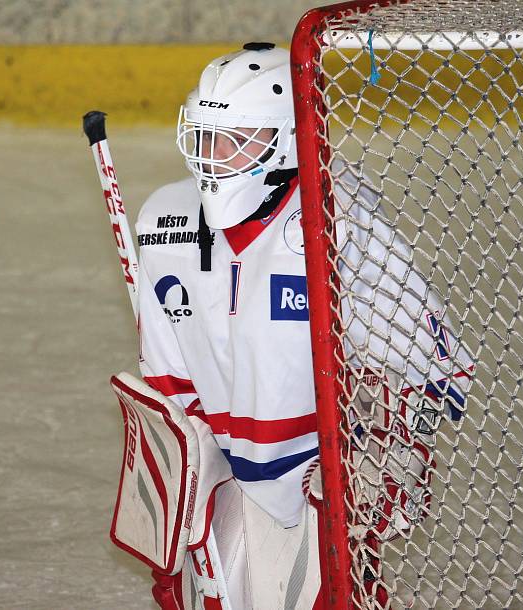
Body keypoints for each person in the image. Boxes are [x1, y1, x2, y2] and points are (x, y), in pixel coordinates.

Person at [129, 42, 473, 609]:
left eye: (236, 141)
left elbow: (415, 342)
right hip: (226, 465)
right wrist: (181, 458)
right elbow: (167, 373)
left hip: (319, 465)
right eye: (205, 138)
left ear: (286, 142)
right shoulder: (163, 220)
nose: (213, 158)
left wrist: (400, 430)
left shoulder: (335, 212)